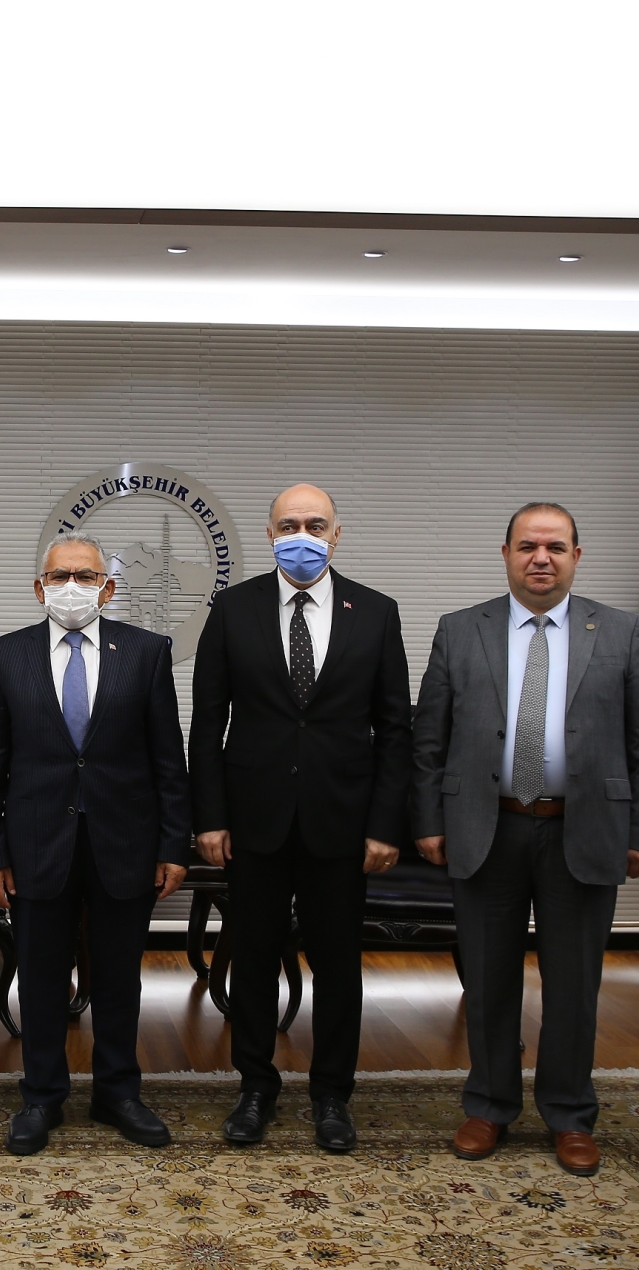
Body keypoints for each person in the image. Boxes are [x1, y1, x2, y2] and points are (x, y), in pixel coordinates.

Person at [412, 502, 639, 1178]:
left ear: (576, 557)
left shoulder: (621, 632)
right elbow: (429, 738)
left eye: (555, 547)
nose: (541, 559)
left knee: (575, 984)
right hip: (486, 827)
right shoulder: (460, 630)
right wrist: (429, 822)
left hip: (584, 831)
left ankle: (570, 1113)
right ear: (506, 555)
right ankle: (489, 1105)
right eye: (528, 546)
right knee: (487, 979)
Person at [191, 483, 411, 1152]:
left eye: (315, 524)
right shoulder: (232, 609)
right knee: (254, 959)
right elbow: (207, 722)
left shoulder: (376, 612)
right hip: (253, 821)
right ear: (270, 534)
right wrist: (209, 817)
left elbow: (394, 729)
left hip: (341, 822)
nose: (302, 535)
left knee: (338, 965)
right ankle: (255, 1088)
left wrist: (385, 824)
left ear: (337, 534)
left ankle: (332, 1095)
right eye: (289, 525)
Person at [0, 532, 192, 1155]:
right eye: (60, 576)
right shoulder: (4, 656)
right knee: (41, 977)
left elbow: (168, 758)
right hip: (36, 844)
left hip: (126, 842)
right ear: (39, 588)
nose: (73, 586)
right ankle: (41, 1096)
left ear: (108, 588)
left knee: (120, 978)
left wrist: (174, 845)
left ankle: (118, 1093)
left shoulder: (146, 653)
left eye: (86, 576)